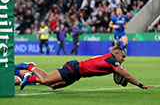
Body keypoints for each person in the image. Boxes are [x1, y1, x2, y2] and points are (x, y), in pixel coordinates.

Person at [17, 47, 153, 90]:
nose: (123, 59)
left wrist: (123, 77)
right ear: (116, 54)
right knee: (46, 80)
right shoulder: (112, 60)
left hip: (77, 75)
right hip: (73, 67)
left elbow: (122, 78)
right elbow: (126, 76)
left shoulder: (112, 61)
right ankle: (30, 66)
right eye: (122, 56)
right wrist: (141, 85)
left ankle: (30, 78)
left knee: (54, 86)